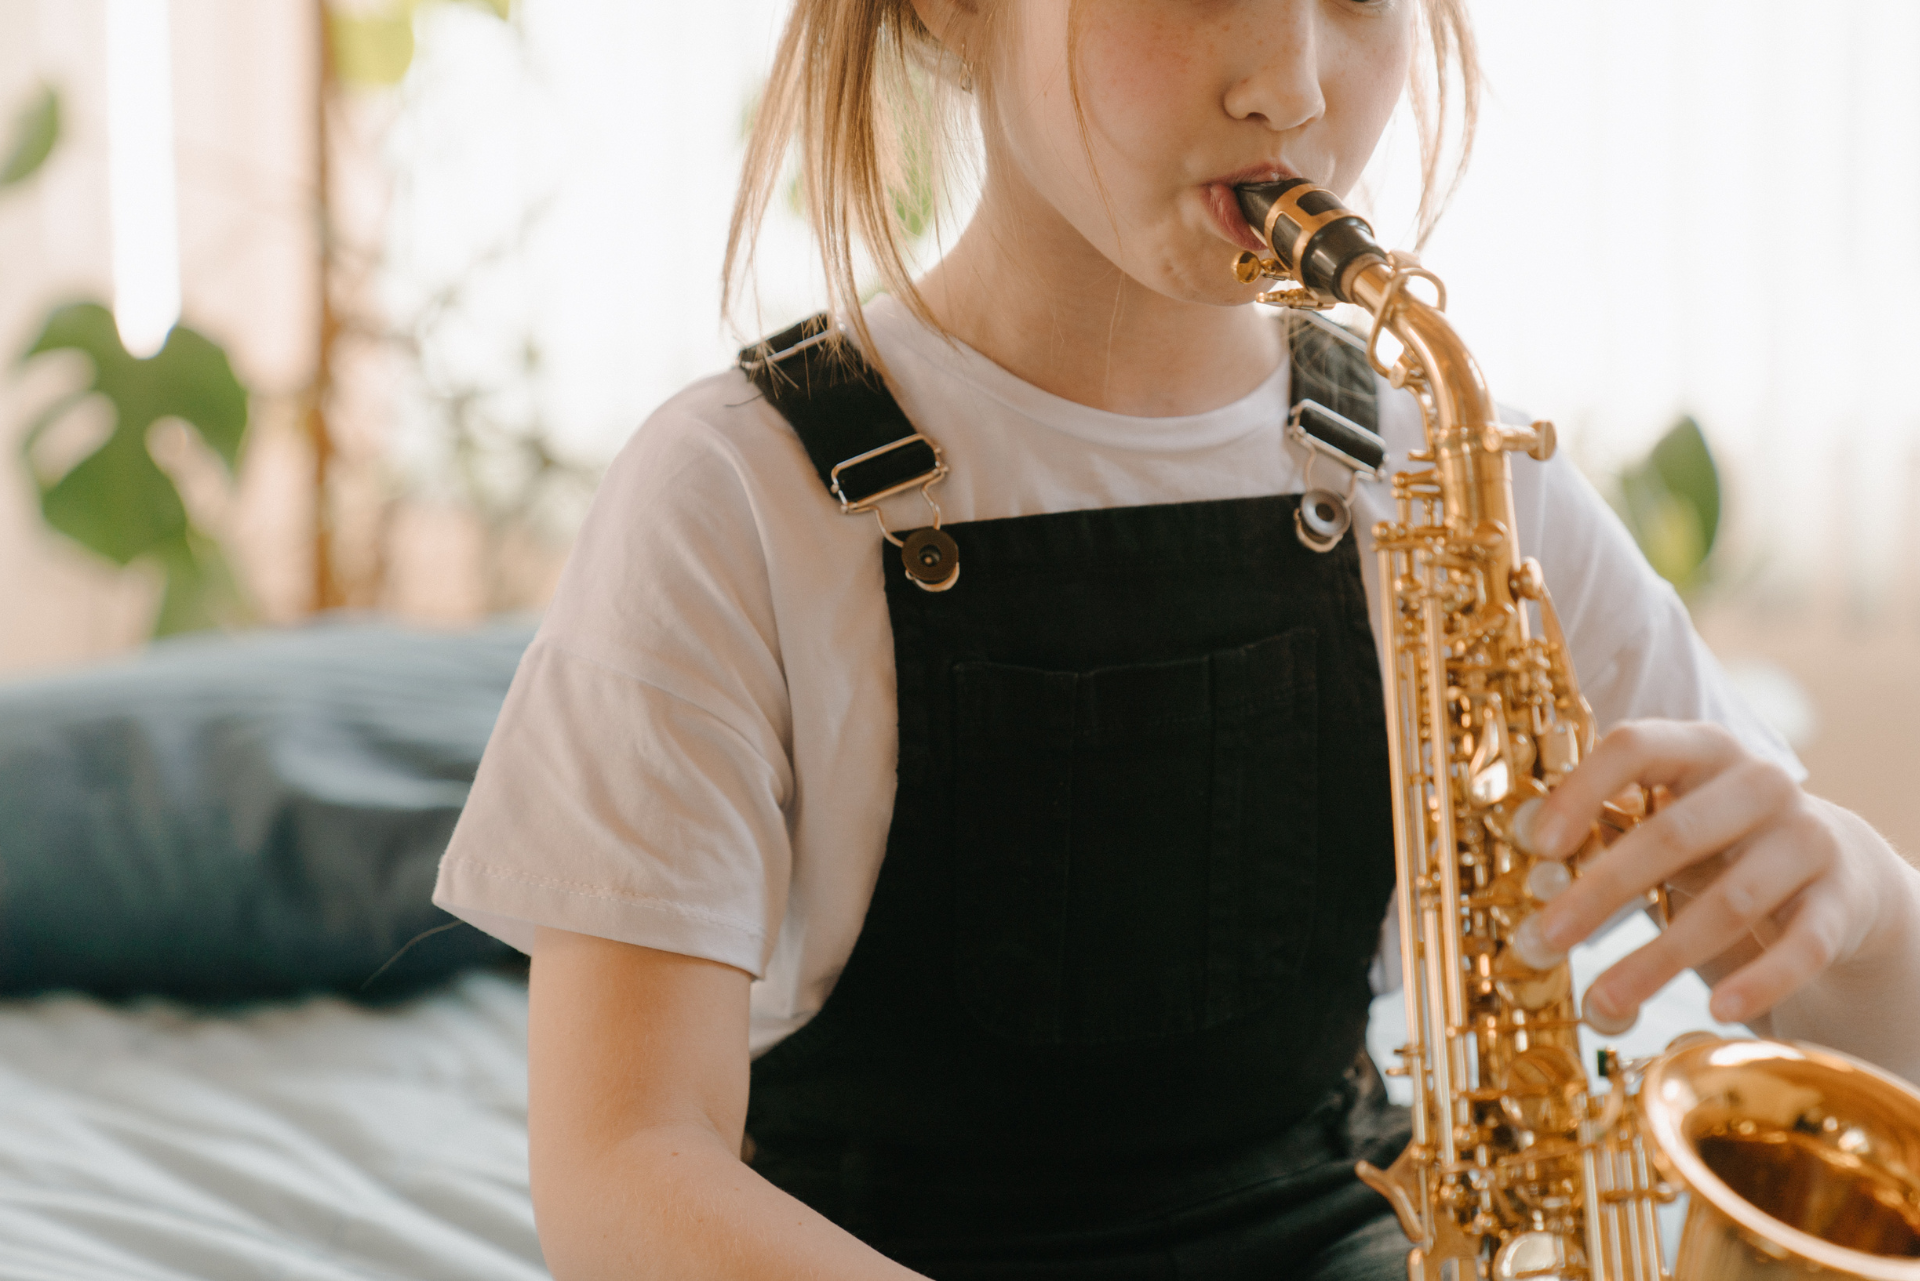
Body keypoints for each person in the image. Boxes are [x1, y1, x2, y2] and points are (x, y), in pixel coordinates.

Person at [431, 2, 1920, 1277]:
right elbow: (622, 1174)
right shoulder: (730, 491)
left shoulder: (1456, 463)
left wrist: (1862, 905)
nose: (1294, 82)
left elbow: (1859, 1026)